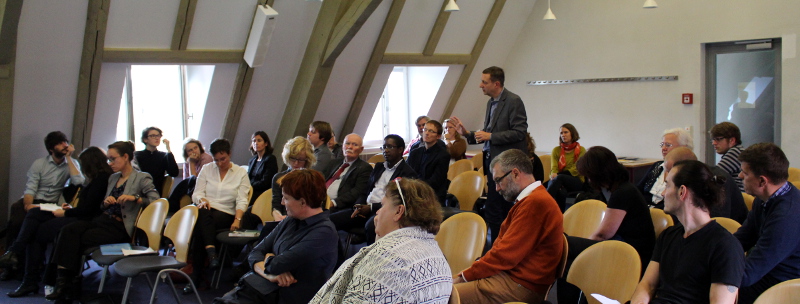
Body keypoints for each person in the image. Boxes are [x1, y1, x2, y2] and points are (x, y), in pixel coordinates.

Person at [45, 141, 159, 301]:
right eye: (108, 159)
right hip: (104, 220)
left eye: (113, 159)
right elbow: (101, 205)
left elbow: (156, 200)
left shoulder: (141, 177)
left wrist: (136, 198)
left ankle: (65, 284)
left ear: (126, 157)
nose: (110, 163)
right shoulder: (113, 178)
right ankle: (66, 283)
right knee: (69, 230)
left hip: (120, 227)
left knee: (72, 238)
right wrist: (105, 203)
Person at [311, 178, 452, 303]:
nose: (377, 212)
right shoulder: (438, 255)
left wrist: (379, 248)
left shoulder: (388, 259)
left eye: (383, 205)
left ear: (398, 212)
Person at [453, 149, 563, 304]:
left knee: (442, 295)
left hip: (519, 286)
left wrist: (463, 277)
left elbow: (505, 256)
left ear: (515, 173)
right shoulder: (533, 199)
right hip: (512, 279)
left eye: (498, 181)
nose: (497, 188)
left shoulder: (536, 203)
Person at [0, 147, 111, 298]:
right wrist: (69, 208)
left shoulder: (101, 180)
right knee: (34, 213)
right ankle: (15, 253)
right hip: (78, 214)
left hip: (84, 220)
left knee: (37, 230)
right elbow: (87, 206)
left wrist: (65, 212)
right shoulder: (97, 179)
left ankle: (25, 274)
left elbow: (88, 211)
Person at [214, 169, 337, 304]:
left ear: (302, 202)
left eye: (286, 198)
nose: (282, 202)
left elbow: (276, 264)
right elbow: (254, 253)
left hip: (285, 297)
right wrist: (270, 274)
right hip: (261, 289)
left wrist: (268, 257)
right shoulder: (290, 220)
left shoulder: (324, 232)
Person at [630, 160, 744, 304]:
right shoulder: (668, 235)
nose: (663, 193)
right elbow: (647, 284)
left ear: (682, 191)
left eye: (667, 185)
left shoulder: (725, 246)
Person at [558, 146, 656, 304]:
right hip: (622, 246)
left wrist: (585, 249)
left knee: (565, 245)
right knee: (566, 254)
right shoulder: (619, 189)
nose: (588, 181)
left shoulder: (623, 193)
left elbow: (603, 234)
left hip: (631, 253)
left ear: (598, 174)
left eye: (589, 176)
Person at [450, 66, 528, 246]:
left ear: (497, 83)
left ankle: (507, 247)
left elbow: (519, 132)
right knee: (493, 211)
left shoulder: (513, 101)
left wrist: (490, 136)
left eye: (484, 82)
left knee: (505, 211)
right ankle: (495, 247)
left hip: (507, 167)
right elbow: (487, 136)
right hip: (493, 165)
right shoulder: (490, 103)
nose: (480, 85)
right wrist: (467, 133)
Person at [2, 131, 84, 280]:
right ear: (52, 149)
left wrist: (69, 158)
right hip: (34, 199)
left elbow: (79, 182)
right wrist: (28, 205)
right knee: (17, 221)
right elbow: (31, 187)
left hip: (52, 203)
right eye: (60, 143)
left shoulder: (72, 164)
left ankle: (21, 260)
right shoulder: (40, 164)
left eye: (65, 142)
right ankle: (10, 262)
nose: (65, 145)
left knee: (35, 228)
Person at [733, 143, 800, 304]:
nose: (740, 176)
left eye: (745, 172)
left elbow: (750, 273)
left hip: (782, 285)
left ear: (762, 181)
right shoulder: (765, 199)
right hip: (766, 272)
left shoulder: (785, 216)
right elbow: (741, 239)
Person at [187, 138, 250, 291]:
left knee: (200, 227)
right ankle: (211, 254)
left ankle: (196, 275)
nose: (220, 163)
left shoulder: (240, 173)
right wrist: (201, 200)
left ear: (230, 154)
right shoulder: (207, 169)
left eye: (223, 159)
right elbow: (197, 193)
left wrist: (237, 219)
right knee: (203, 214)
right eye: (217, 160)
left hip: (226, 213)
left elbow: (242, 200)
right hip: (206, 209)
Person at [345, 135, 417, 244]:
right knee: (333, 220)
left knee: (371, 227)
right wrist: (358, 204)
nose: (386, 151)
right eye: (384, 147)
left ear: (400, 150)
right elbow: (365, 190)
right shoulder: (379, 167)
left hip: (384, 210)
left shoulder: (407, 172)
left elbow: (398, 201)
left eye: (390, 147)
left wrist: (371, 207)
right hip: (364, 207)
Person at [663, 147, 748, 223]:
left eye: (671, 170)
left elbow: (717, 220)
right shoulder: (696, 178)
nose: (668, 175)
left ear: (686, 168)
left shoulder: (714, 181)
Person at [637, 128, 693, 209]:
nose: (663, 148)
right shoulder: (657, 166)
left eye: (668, 145)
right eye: (662, 144)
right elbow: (638, 190)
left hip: (666, 215)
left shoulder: (688, 172)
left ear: (683, 147)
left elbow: (677, 204)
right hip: (644, 211)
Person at [271, 136, 316, 221]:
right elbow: (276, 205)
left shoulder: (312, 179)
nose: (296, 163)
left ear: (307, 160)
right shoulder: (278, 178)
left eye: (301, 160)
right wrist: (278, 215)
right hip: (282, 219)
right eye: (293, 158)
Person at [407, 120, 451, 204]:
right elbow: (408, 172)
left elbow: (436, 181)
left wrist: (416, 188)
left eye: (431, 131)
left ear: (438, 136)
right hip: (413, 191)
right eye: (425, 130)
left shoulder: (443, 155)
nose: (427, 133)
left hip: (432, 195)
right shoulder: (415, 152)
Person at [325, 134, 371, 214]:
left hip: (338, 206)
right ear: (342, 146)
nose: (350, 147)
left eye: (354, 144)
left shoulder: (364, 168)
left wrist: (333, 202)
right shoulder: (334, 163)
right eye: (347, 143)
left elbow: (356, 192)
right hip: (320, 200)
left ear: (361, 149)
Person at [547, 123, 586, 211]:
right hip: (558, 180)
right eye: (561, 133)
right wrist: (554, 174)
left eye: (566, 132)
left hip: (576, 180)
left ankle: (543, 203)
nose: (563, 135)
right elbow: (554, 168)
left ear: (572, 133)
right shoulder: (556, 150)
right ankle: (560, 216)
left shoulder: (581, 150)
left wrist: (558, 175)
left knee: (559, 178)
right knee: (561, 192)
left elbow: (576, 169)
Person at [167, 138, 213, 213]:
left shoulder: (206, 158)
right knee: (187, 182)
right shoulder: (188, 160)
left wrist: (192, 163)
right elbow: (187, 180)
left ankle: (170, 206)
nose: (194, 151)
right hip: (192, 187)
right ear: (186, 153)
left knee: (193, 179)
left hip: (204, 186)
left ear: (200, 148)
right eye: (190, 150)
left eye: (195, 148)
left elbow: (197, 180)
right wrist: (190, 162)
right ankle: (171, 207)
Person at [134, 126, 179, 197]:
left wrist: (169, 150)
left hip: (156, 190)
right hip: (139, 190)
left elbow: (174, 173)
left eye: (158, 135)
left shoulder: (163, 156)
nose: (157, 138)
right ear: (145, 139)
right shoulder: (137, 155)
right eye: (153, 136)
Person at [710, 122, 745, 191]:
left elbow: (713, 174)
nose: (713, 143)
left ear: (732, 140)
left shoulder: (736, 152)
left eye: (718, 139)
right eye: (713, 139)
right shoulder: (739, 150)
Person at [248, 131, 278, 205]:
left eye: (259, 140)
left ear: (266, 143)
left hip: (261, 192)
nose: (256, 143)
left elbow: (266, 182)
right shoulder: (252, 160)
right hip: (250, 189)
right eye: (254, 141)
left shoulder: (270, 159)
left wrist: (250, 186)